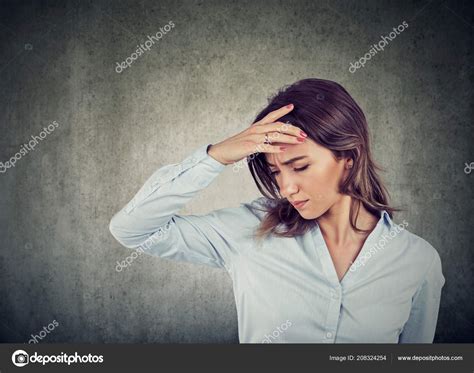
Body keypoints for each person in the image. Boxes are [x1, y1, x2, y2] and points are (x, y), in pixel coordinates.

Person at [109, 78, 445, 343]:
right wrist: (217, 155)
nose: (286, 188)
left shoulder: (417, 262)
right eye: (275, 173)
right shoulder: (248, 230)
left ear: (349, 158)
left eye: (299, 166)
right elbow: (131, 229)